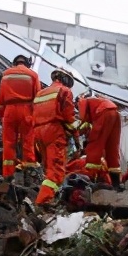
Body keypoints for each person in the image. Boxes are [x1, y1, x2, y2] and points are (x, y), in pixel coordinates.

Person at [33, 68, 78, 206]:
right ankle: (43, 202)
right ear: (66, 80)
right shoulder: (64, 91)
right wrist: (76, 137)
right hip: (54, 131)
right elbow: (69, 117)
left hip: (38, 132)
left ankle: (46, 197)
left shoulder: (41, 93)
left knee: (48, 169)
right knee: (56, 171)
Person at [0, 54, 42, 179]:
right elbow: (37, 97)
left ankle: (7, 174)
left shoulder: (6, 74)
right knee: (28, 142)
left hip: (9, 111)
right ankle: (29, 173)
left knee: (8, 143)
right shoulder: (32, 75)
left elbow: (1, 97)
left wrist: (1, 114)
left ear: (14, 63)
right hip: (26, 110)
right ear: (27, 63)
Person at [78, 93, 123, 189]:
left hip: (103, 112)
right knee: (112, 148)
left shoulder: (81, 101)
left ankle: (90, 180)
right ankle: (116, 184)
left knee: (95, 146)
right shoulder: (96, 100)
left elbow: (83, 120)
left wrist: (77, 132)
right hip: (115, 112)